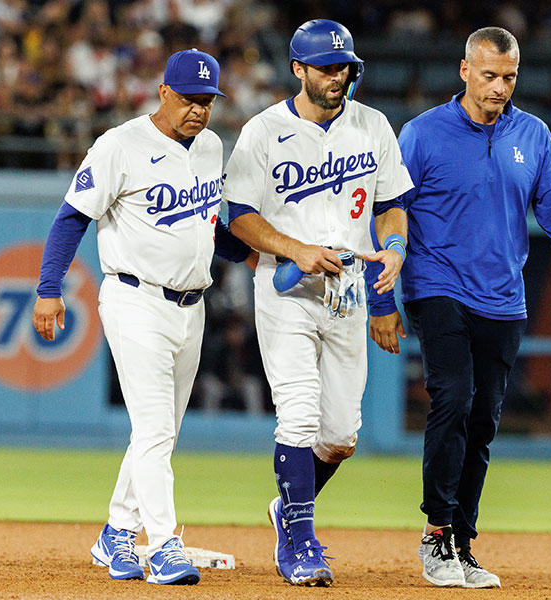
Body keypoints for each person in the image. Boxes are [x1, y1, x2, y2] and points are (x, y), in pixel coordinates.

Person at [367, 27, 551, 588]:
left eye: (510, 78)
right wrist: (382, 299)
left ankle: (461, 540)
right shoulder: (422, 135)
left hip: (503, 298)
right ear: (465, 71)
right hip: (436, 285)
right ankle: (435, 536)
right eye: (491, 75)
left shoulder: (534, 135)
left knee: (484, 421)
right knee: (453, 396)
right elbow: (385, 211)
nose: (501, 87)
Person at [31, 49, 255, 586]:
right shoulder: (120, 146)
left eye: (207, 100)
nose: (199, 110)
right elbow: (70, 218)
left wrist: (256, 253)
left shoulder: (210, 147)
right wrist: (47, 289)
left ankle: (115, 533)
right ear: (163, 92)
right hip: (134, 299)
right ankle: (163, 546)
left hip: (191, 306)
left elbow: (205, 228)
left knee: (161, 433)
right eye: (189, 99)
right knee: (154, 429)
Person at [222, 19, 414, 587]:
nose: (338, 76)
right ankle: (300, 541)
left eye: (345, 67)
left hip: (349, 288)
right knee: (300, 414)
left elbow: (391, 204)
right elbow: (240, 219)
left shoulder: (372, 125)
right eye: (327, 67)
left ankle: (288, 508)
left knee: (340, 435)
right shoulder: (262, 131)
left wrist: (395, 246)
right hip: (286, 289)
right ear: (298, 69)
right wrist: (294, 248)